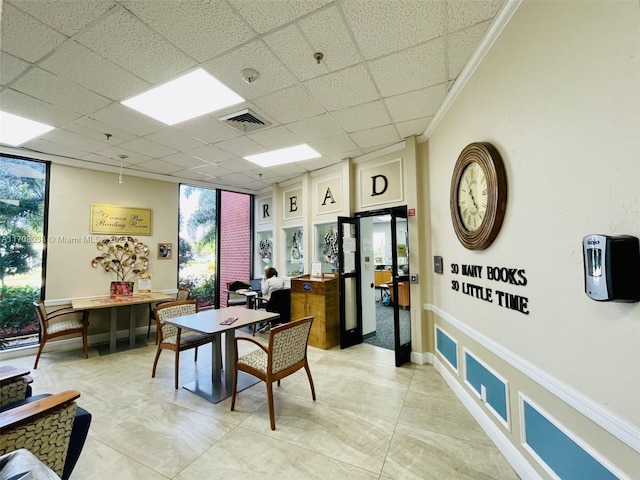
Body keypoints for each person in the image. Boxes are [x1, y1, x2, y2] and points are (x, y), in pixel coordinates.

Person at [258, 267, 285, 333]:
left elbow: (264, 292)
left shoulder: (268, 281)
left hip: (271, 304)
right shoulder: (281, 280)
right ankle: (268, 323)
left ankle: (266, 323)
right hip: (280, 304)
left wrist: (263, 282)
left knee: (260, 305)